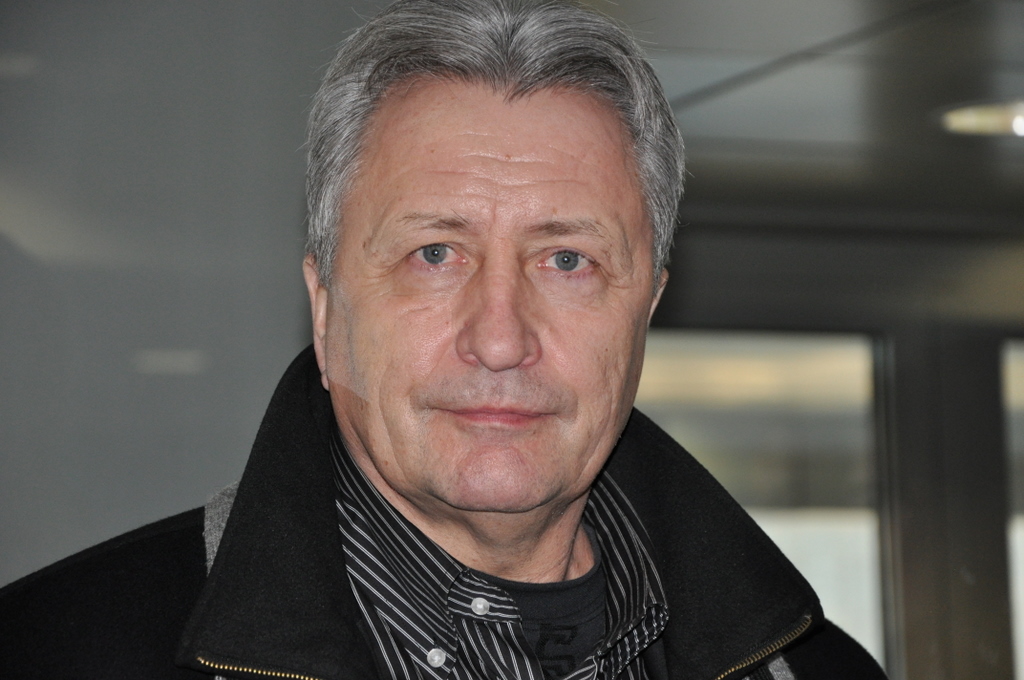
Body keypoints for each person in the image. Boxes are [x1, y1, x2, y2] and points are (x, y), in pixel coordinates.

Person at [0, 0, 888, 678]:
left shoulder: (819, 671)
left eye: (568, 261)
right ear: (325, 306)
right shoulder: (48, 651)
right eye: (434, 254)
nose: (500, 340)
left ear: (646, 308)